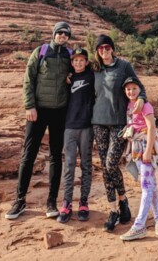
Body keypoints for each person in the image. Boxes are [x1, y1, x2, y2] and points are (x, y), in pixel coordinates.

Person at [5, 21, 72, 220]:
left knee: (55, 156)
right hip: (38, 111)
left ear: (68, 37)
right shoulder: (40, 52)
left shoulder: (69, 55)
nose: (62, 36)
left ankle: (51, 201)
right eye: (59, 32)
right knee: (29, 154)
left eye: (66, 34)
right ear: (53, 34)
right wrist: (29, 105)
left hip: (59, 112)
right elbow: (28, 79)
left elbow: (78, 75)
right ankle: (20, 200)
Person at [92, 33, 147, 232]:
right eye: (100, 48)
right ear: (97, 51)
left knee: (110, 163)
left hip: (118, 124)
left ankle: (122, 199)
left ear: (112, 48)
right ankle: (115, 208)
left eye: (107, 47)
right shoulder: (94, 68)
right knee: (106, 169)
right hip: (98, 123)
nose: (104, 51)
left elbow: (139, 86)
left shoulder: (123, 66)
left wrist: (141, 98)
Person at [120, 77, 158, 241]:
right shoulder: (130, 104)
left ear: (140, 89)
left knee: (146, 186)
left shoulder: (145, 105)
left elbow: (151, 127)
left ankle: (139, 226)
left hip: (146, 147)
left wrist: (148, 151)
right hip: (136, 147)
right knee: (151, 186)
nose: (131, 91)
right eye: (128, 89)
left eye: (134, 88)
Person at [57, 47, 95, 223]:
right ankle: (67, 202)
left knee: (86, 164)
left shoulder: (92, 76)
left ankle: (84, 202)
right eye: (75, 60)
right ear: (72, 63)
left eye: (82, 60)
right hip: (70, 127)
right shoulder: (69, 79)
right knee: (70, 165)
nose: (79, 62)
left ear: (86, 62)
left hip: (87, 127)